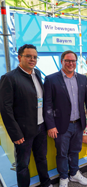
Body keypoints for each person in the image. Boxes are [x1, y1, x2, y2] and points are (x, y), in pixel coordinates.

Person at [0, 44, 52, 187]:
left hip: (41, 127)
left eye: (35, 57)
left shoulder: (37, 74)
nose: (32, 59)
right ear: (19, 57)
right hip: (23, 132)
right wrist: (15, 134)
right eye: (28, 56)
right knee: (23, 165)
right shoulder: (9, 78)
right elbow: (5, 109)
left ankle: (46, 183)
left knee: (42, 158)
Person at [43, 50, 87, 187]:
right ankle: (64, 177)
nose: (71, 63)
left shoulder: (82, 79)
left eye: (73, 61)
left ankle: (74, 174)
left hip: (78, 123)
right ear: (62, 61)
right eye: (67, 60)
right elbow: (47, 104)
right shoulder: (51, 79)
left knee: (75, 151)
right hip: (60, 125)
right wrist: (50, 125)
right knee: (62, 153)